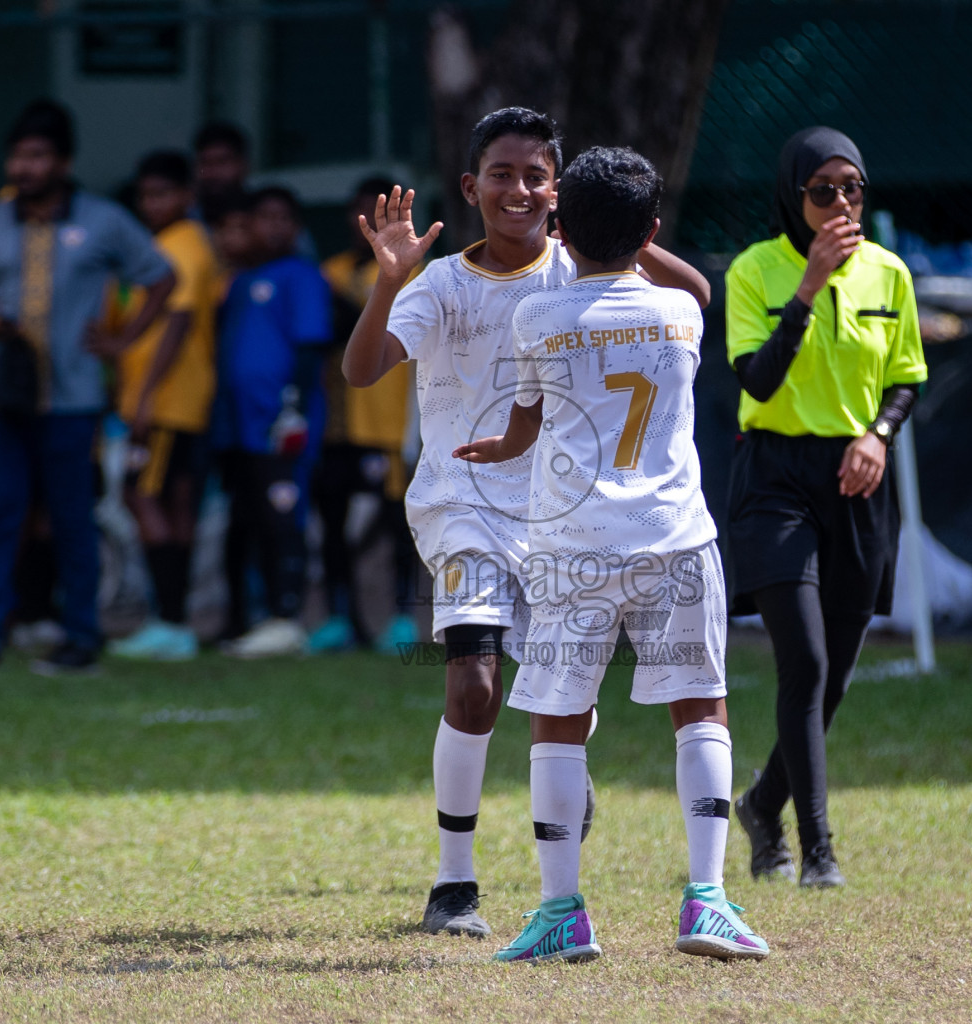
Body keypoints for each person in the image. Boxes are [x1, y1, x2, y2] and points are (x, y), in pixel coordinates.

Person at [342, 108, 711, 938]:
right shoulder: (438, 284)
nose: (520, 190)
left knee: (562, 708)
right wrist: (390, 278)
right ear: (471, 187)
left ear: (560, 194)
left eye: (538, 177)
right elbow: (361, 371)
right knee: (473, 686)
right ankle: (454, 884)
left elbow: (692, 298)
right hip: (461, 506)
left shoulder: (580, 274)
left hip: (562, 523)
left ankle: (565, 776)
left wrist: (620, 231)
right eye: (502, 175)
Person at [453, 146, 768, 964]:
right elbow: (696, 286)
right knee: (699, 708)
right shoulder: (683, 316)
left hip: (571, 545)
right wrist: (637, 238)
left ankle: (563, 912)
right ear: (653, 231)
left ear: (561, 224)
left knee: (557, 721)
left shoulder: (539, 318)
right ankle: (707, 902)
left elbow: (525, 423)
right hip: (674, 537)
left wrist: (504, 445)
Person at [725, 127, 926, 888]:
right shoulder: (755, 271)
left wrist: (878, 434)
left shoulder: (890, 273)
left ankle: (762, 802)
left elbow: (906, 376)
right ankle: (816, 850)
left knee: (834, 673)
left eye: (853, 189)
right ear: (793, 196)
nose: (842, 203)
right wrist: (807, 288)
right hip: (775, 475)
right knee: (802, 661)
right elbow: (760, 383)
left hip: (857, 477)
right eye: (823, 191)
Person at [0, 99, 175, 675]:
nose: (24, 167)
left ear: (63, 161)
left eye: (37, 155)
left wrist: (122, 341)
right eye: (17, 156)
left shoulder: (102, 220)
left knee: (72, 519)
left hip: (73, 401)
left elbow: (161, 277)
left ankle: (81, 640)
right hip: (3, 398)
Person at [104, 151, 220, 662]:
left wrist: (146, 395)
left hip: (169, 403)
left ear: (185, 197)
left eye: (162, 194)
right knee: (171, 503)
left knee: (140, 496)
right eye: (145, 196)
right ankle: (174, 623)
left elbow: (175, 324)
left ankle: (170, 622)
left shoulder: (184, 248)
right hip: (167, 402)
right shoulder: (159, 246)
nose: (151, 204)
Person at [210, 186, 331, 658]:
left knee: (283, 518)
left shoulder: (301, 276)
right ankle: (240, 619)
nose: (273, 227)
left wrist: (292, 409)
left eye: (284, 218)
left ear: (297, 227)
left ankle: (286, 617)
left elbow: (309, 349)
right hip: (237, 426)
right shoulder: (240, 282)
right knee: (242, 522)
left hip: (278, 426)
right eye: (263, 217)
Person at [310, 177, 423, 654]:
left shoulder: (418, 275)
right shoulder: (329, 272)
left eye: (385, 212)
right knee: (333, 523)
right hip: (336, 424)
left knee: (397, 524)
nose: (372, 223)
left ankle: (400, 619)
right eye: (364, 212)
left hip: (387, 421)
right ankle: (342, 618)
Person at [193, 122, 250, 209]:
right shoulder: (184, 216)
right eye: (205, 162)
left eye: (222, 162)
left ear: (242, 164)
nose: (213, 172)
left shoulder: (260, 216)